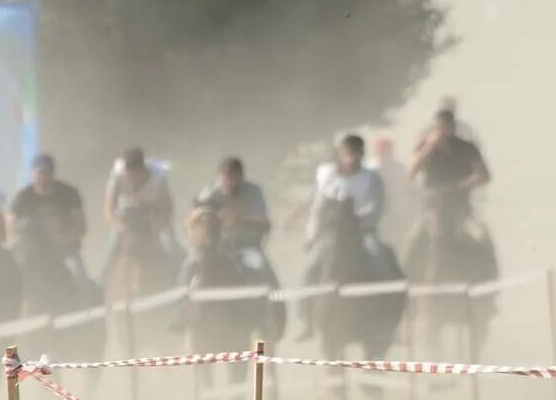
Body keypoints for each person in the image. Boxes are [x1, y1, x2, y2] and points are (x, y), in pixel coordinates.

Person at [297, 132, 395, 336]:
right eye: (347, 154)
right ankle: (307, 320)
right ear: (340, 154)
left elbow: (376, 208)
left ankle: (390, 314)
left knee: (381, 259)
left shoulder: (371, 178)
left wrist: (355, 221)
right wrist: (311, 235)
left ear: (362, 155)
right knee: (310, 267)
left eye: (356, 154)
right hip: (331, 234)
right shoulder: (325, 175)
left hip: (362, 232)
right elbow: (317, 208)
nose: (351, 159)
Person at [405, 105, 494, 279]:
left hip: (460, 206)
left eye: (448, 125)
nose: (445, 130)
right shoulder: (425, 146)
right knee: (412, 239)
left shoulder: (467, 147)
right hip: (431, 207)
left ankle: (489, 279)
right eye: (441, 126)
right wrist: (428, 147)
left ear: (453, 126)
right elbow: (411, 172)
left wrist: (460, 185)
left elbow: (484, 175)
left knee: (480, 234)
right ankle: (406, 284)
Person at [179, 156, 277, 289]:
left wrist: (240, 220)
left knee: (263, 271)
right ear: (220, 177)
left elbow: (266, 224)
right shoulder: (211, 192)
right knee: (188, 266)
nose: (229, 183)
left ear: (241, 177)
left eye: (233, 178)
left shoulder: (253, 192)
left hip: (247, 247)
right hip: (217, 247)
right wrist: (202, 218)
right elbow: (195, 216)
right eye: (225, 179)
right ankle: (180, 304)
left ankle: (277, 305)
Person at [6, 153, 88, 281]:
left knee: (79, 274)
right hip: (32, 248)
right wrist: (23, 240)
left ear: (53, 173)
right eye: (40, 173)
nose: (43, 178)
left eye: (47, 173)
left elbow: (81, 226)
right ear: (32, 173)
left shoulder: (68, 193)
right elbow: (10, 226)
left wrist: (67, 237)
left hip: (62, 247)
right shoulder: (23, 198)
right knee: (13, 271)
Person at [100, 146, 176, 284]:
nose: (133, 178)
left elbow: (168, 209)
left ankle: (177, 281)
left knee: (171, 246)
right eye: (130, 174)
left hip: (152, 216)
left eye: (136, 174)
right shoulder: (117, 178)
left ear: (143, 170)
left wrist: (159, 223)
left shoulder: (158, 178)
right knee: (112, 250)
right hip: (126, 218)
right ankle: (101, 284)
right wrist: (119, 225)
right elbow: (108, 211)